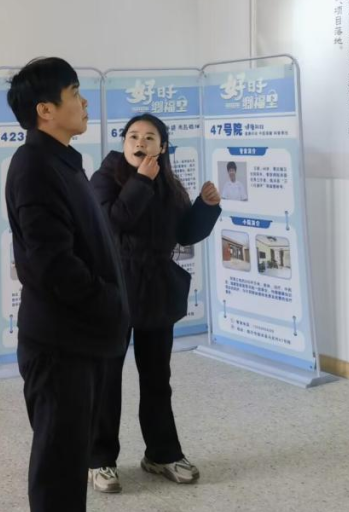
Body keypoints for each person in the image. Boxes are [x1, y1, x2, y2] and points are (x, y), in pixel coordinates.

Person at [5, 57, 130, 512]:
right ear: (46, 110)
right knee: (59, 471)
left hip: (79, 338)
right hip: (61, 346)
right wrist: (109, 301)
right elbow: (54, 265)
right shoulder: (35, 167)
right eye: (74, 93)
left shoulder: (59, 161)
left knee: (70, 459)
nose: (83, 102)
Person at [87, 113, 221, 493]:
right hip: (113, 291)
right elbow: (112, 222)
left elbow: (184, 234)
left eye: (149, 137)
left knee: (157, 379)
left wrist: (205, 207)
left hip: (155, 291)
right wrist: (141, 181)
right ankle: (99, 460)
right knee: (107, 380)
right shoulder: (105, 177)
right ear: (123, 142)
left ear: (162, 147)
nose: (140, 143)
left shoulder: (168, 184)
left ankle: (162, 454)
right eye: (133, 136)